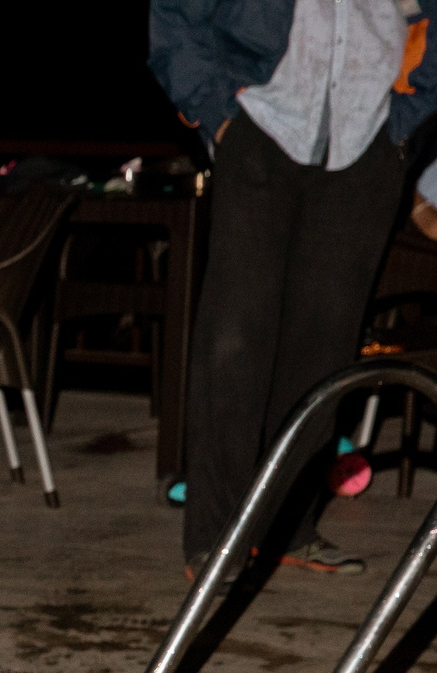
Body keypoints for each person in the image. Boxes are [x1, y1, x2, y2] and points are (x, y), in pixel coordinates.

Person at [150, 0, 437, 579]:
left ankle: (290, 525)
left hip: (367, 139)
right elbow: (173, 16)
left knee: (324, 344)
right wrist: (219, 113)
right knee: (235, 338)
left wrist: (405, 124)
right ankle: (216, 535)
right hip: (263, 124)